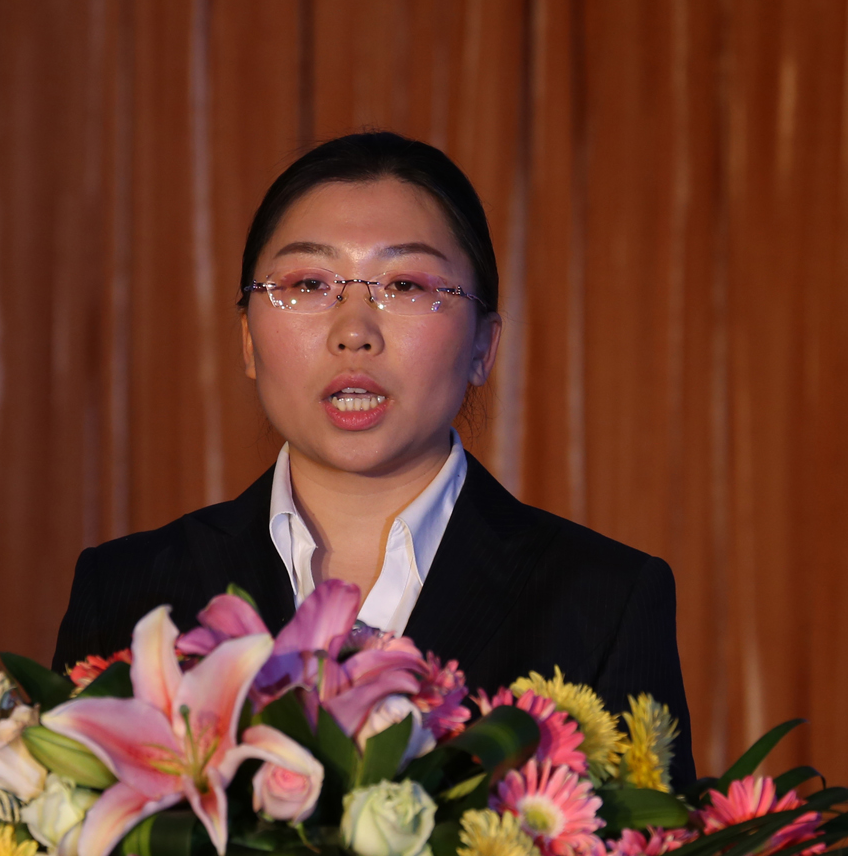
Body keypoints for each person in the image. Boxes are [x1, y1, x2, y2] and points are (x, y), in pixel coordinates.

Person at [50, 131, 695, 785]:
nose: (354, 331)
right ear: (247, 340)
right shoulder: (129, 593)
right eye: (308, 283)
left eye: (406, 284)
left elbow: (646, 847)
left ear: (483, 345)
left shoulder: (604, 602)